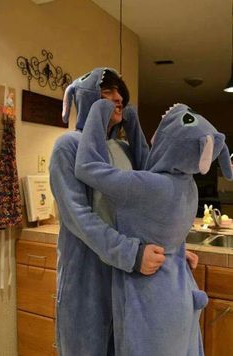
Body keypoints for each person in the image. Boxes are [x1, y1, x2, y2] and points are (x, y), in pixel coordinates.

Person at [75, 99, 233, 356]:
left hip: (149, 302)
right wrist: (132, 120)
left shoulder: (147, 187)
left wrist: (98, 110)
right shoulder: (189, 187)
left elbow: (86, 167)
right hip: (181, 294)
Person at [49, 67, 166, 356]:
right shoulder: (69, 147)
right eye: (107, 93)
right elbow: (79, 219)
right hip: (86, 279)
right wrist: (132, 254)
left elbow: (154, 193)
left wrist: (171, 250)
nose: (118, 99)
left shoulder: (124, 149)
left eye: (120, 93)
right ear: (89, 99)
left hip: (126, 281)